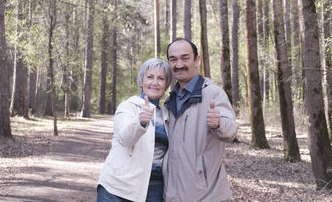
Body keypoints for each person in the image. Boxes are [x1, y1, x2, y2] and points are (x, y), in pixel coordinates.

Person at [164, 38, 237, 202]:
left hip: (206, 194)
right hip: (173, 193)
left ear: (197, 60)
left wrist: (219, 123)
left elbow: (231, 129)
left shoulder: (213, 94)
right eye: (173, 59)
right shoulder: (170, 100)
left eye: (185, 58)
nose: (179, 64)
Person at [97, 58, 172, 202]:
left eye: (160, 78)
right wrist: (140, 122)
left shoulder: (167, 114)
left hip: (154, 189)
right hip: (119, 187)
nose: (155, 82)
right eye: (150, 77)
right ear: (142, 81)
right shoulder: (128, 107)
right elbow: (125, 138)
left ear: (166, 85)